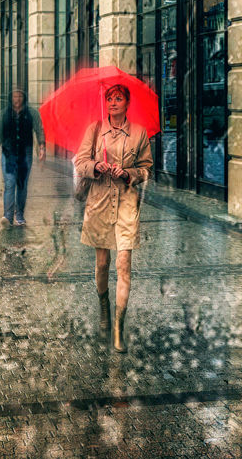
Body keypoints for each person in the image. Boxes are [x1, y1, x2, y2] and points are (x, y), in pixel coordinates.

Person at [73, 84, 153, 353]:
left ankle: (118, 327)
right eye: (110, 99)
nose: (113, 102)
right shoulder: (95, 130)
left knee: (124, 263)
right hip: (99, 202)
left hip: (127, 204)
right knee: (103, 263)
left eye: (118, 98)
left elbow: (146, 170)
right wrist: (96, 166)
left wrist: (128, 173)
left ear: (127, 103)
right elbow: (80, 162)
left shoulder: (139, 133)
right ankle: (103, 309)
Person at [0, 89, 46, 226]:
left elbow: (39, 130)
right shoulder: (3, 114)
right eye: (15, 96)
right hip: (8, 153)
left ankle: (20, 214)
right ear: (11, 98)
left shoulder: (32, 113)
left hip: (25, 153)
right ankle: (8, 216)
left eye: (20, 96)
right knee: (10, 183)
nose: (17, 99)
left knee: (21, 184)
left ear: (24, 97)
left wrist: (41, 147)